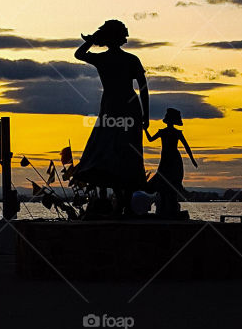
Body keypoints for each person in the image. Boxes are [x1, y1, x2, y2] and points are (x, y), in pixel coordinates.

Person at [71, 20, 149, 213]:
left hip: (121, 107)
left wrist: (91, 40)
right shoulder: (122, 59)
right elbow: (144, 88)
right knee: (111, 150)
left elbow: (143, 86)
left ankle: (124, 201)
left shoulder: (124, 59)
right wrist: (145, 113)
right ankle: (122, 201)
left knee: (119, 151)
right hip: (116, 107)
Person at [145, 108, 197, 216]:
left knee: (173, 182)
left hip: (174, 159)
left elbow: (186, 147)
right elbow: (150, 139)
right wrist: (145, 130)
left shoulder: (176, 133)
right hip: (166, 159)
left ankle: (171, 208)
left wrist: (192, 159)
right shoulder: (162, 132)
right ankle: (165, 208)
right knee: (163, 182)